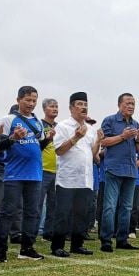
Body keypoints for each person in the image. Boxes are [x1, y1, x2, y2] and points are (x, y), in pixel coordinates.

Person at [0, 86, 47, 263]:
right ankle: (0, 251)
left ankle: (27, 248)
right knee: (8, 212)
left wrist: (48, 139)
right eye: (28, 100)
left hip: (35, 174)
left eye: (34, 100)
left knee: (32, 212)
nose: (31, 104)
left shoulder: (38, 122)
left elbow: (38, 146)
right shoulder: (9, 120)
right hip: (14, 174)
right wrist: (13, 138)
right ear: (18, 100)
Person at [50, 92, 103, 257]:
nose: (84, 107)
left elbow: (93, 155)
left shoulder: (91, 129)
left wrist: (99, 141)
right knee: (63, 213)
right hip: (68, 178)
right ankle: (57, 246)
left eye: (85, 104)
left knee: (82, 213)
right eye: (79, 104)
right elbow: (59, 150)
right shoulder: (63, 126)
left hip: (85, 178)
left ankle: (77, 244)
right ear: (71, 107)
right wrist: (76, 137)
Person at [99, 93, 139, 252]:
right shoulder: (110, 120)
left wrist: (137, 140)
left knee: (127, 207)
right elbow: (103, 142)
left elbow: (137, 149)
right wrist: (123, 136)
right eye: (128, 103)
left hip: (131, 170)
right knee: (110, 206)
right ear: (119, 104)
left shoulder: (136, 123)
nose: (131, 106)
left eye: (133, 103)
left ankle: (122, 239)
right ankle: (106, 240)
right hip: (114, 168)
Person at [37, 98, 58, 241]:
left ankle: (49, 233)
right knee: (37, 203)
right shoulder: (39, 124)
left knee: (54, 204)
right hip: (42, 169)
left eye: (56, 107)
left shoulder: (60, 126)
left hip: (57, 171)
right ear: (44, 109)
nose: (55, 109)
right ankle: (32, 231)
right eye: (52, 106)